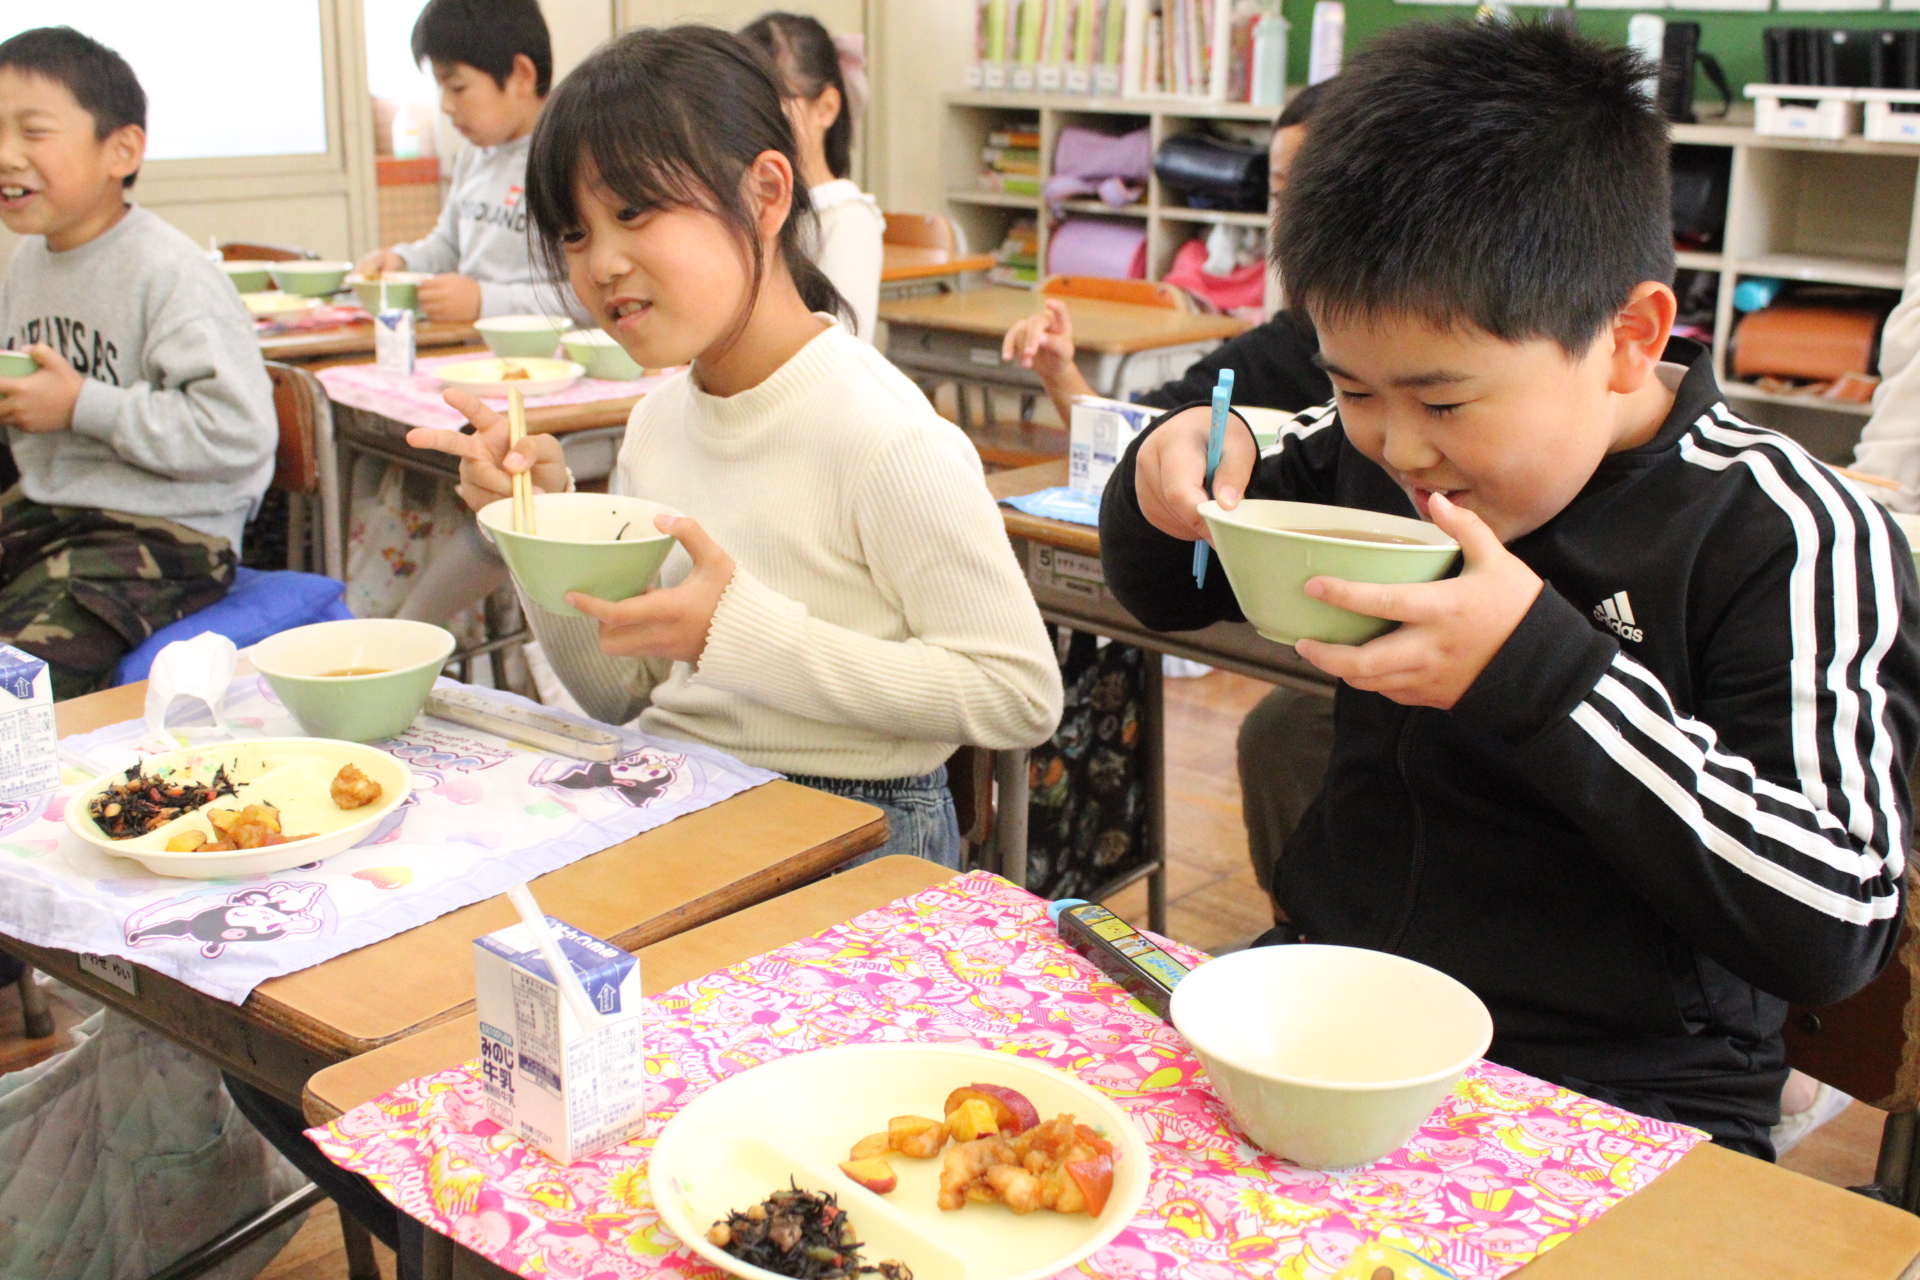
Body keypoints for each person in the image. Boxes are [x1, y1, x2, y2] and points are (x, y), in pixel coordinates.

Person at [1101, 18, 1919, 1158]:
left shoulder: (1779, 534)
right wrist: (1162, 475)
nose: (1395, 446)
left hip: (1626, 1091)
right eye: (1352, 383)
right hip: (1341, 1009)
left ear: (1630, 336)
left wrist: (1541, 671)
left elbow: (1840, 919)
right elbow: (1171, 586)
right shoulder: (1358, 443)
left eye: (1443, 403)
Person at [1003, 80, 1336, 904]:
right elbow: (1138, 444)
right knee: (1280, 737)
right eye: (1280, 198)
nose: (1288, 226)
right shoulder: (1281, 348)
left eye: (1312, 195)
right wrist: (1063, 375)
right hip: (1303, 629)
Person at [0, 26, 274, 698]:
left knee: (21, 682)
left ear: (121, 149)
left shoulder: (168, 271)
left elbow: (239, 431)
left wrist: (79, 406)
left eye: (33, 132)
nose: (6, 155)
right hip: (55, 506)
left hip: (167, 531)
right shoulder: (27, 260)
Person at [353, 0, 575, 323]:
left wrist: (485, 301)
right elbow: (448, 245)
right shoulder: (474, 155)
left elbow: (587, 299)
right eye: (439, 87)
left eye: (457, 86)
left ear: (521, 76)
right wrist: (402, 261)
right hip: (471, 344)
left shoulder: (568, 160)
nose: (445, 105)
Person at [741, 12, 884, 344]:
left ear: (827, 108)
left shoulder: (847, 219)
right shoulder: (744, 205)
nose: (753, 120)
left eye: (772, 102)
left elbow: (840, 348)